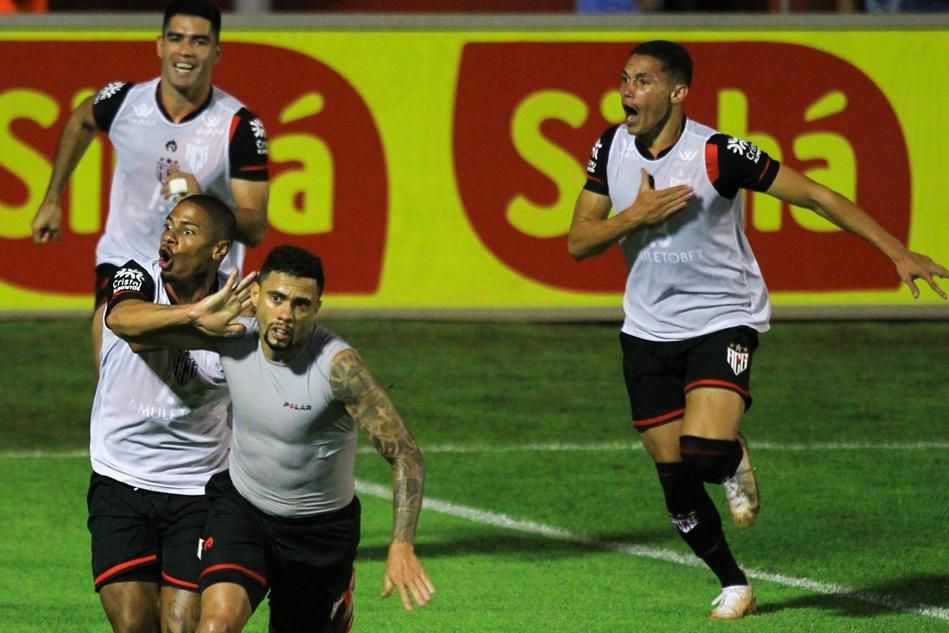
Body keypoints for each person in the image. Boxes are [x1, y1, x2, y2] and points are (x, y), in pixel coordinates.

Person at [567, 40, 947, 620]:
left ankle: (729, 455)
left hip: (723, 317)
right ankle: (734, 583)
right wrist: (633, 217)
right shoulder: (610, 146)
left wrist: (897, 252)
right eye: (624, 79)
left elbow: (817, 195)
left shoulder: (718, 153)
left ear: (677, 93)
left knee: (701, 450)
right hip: (646, 328)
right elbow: (578, 242)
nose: (627, 92)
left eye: (643, 81)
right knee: (673, 474)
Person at [110, 244, 436, 633]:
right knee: (215, 626)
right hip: (243, 512)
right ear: (255, 296)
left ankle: (339, 595)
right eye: (277, 298)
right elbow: (134, 333)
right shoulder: (231, 335)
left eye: (301, 304)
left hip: (319, 533)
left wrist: (401, 545)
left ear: (316, 308)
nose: (286, 314)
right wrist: (196, 316)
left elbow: (405, 454)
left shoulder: (340, 369)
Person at [30, 0, 269, 372]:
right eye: (176, 38)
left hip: (199, 279)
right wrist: (52, 199)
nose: (185, 51)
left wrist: (202, 203)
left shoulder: (238, 127)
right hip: (125, 261)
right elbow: (81, 120)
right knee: (112, 376)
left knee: (198, 401)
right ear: (160, 45)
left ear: (217, 51)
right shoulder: (124, 101)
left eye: (199, 41)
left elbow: (254, 228)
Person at [89, 194, 244, 632]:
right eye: (169, 225)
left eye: (188, 230)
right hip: (120, 478)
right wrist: (198, 318)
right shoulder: (137, 275)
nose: (170, 236)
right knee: (135, 628)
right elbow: (125, 322)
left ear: (218, 251)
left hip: (199, 488)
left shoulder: (239, 306)